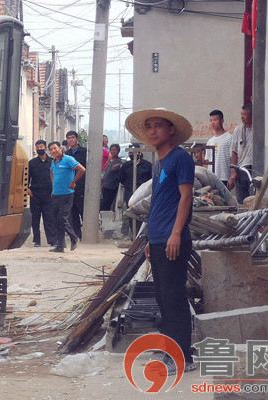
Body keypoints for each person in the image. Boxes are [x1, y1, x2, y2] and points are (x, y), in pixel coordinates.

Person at [125, 108, 196, 375]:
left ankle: (183, 357)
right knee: (162, 298)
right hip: (158, 239)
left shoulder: (180, 159)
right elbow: (158, 202)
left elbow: (186, 198)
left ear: (171, 131)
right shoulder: (159, 161)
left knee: (174, 297)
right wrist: (150, 237)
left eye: (159, 126)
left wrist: (175, 233)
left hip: (172, 238)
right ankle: (172, 349)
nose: (154, 130)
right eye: (150, 126)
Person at [48, 141, 85, 253]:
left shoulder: (68, 159)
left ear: (60, 148)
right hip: (56, 194)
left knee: (62, 218)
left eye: (55, 148)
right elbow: (51, 173)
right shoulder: (53, 162)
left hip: (67, 194)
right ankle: (60, 245)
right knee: (57, 220)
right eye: (50, 149)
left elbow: (82, 169)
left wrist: (74, 181)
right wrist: (53, 183)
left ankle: (74, 238)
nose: (53, 151)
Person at [28, 140, 57, 247]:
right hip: (35, 194)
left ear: (45, 148)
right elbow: (26, 176)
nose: (39, 148)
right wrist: (27, 188)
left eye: (41, 147)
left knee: (49, 217)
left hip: (49, 194)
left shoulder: (53, 162)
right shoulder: (32, 163)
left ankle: (52, 240)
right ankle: (37, 240)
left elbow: (57, 176)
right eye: (37, 147)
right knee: (35, 218)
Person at [227, 103, 253, 203]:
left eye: (245, 114)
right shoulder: (238, 130)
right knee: (242, 200)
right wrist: (233, 172)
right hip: (242, 168)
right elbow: (234, 152)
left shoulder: (259, 129)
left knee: (254, 198)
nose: (242, 117)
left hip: (255, 169)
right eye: (241, 114)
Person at [65, 130, 87, 240]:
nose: (71, 139)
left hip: (82, 186)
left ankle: (88, 235)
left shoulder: (85, 152)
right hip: (70, 187)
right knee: (72, 213)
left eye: (72, 137)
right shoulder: (66, 154)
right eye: (69, 138)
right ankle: (77, 235)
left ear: (77, 139)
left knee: (83, 211)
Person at [205, 109, 232, 186]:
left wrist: (233, 176)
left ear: (222, 121)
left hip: (224, 177)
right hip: (211, 178)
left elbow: (233, 158)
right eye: (210, 120)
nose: (212, 123)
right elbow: (207, 162)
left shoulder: (229, 138)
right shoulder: (210, 141)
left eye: (215, 120)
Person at [100, 143, 122, 211]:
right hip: (105, 186)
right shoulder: (109, 162)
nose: (113, 152)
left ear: (118, 151)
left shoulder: (119, 161)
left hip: (112, 187)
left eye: (115, 150)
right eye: (112, 150)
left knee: (106, 204)